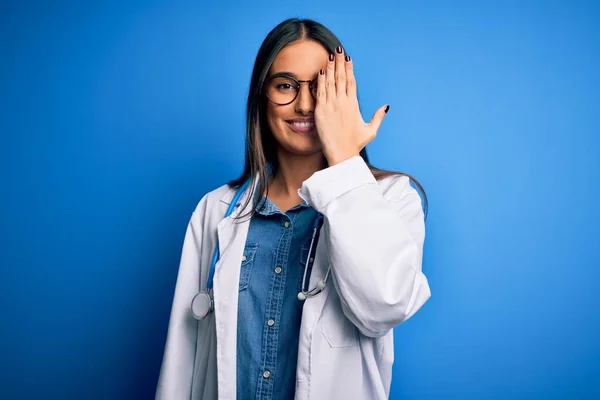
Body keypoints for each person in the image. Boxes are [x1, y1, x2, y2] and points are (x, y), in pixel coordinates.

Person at [155, 17, 431, 400]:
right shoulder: (214, 210)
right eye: (285, 85)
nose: (304, 104)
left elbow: (384, 306)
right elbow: (182, 355)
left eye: (321, 88)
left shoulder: (390, 199)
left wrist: (344, 161)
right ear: (260, 97)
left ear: (344, 97)